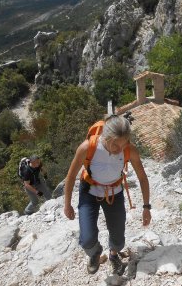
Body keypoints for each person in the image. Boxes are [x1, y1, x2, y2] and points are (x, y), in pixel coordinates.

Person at [64, 114, 151, 275]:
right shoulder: (87, 148)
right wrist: (67, 204)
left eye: (124, 143)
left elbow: (142, 178)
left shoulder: (129, 150)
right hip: (89, 192)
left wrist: (146, 207)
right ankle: (95, 253)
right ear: (105, 136)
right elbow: (70, 177)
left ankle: (113, 255)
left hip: (114, 192)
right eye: (116, 144)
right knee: (87, 240)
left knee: (118, 239)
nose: (120, 149)